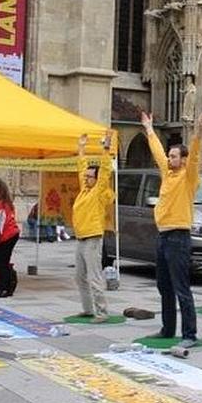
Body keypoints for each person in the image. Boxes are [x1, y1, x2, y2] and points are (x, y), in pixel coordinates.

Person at [141, 110, 202, 349]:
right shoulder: (167, 173)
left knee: (181, 287)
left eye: (174, 156)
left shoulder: (188, 177)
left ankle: (189, 334)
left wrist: (199, 131)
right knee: (164, 285)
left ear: (182, 159)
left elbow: (194, 157)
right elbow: (157, 153)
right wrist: (149, 128)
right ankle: (168, 328)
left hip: (179, 236)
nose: (170, 159)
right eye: (169, 156)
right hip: (163, 235)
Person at [72, 134, 115, 322]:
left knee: (94, 276)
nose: (87, 178)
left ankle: (102, 312)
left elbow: (105, 171)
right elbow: (82, 168)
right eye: (87, 177)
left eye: (91, 177)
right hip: (81, 238)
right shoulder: (85, 189)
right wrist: (81, 149)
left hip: (93, 237)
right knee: (80, 276)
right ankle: (88, 309)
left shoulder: (98, 190)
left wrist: (105, 149)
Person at [0, 178, 20, 296]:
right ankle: (4, 287)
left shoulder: (0, 204)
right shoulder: (4, 202)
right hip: (9, 234)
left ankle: (4, 288)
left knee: (1, 262)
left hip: (7, 235)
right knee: (2, 262)